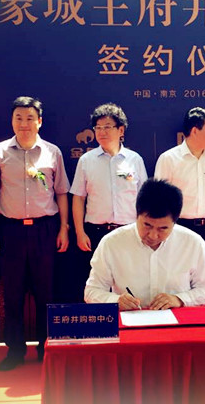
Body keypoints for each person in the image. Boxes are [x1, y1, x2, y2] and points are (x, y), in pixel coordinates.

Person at [0, 96, 70, 371]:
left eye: (30, 118)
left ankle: (48, 349)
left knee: (47, 293)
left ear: (39, 121)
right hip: (10, 231)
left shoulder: (52, 152)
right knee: (13, 293)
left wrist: (64, 228)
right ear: (12, 121)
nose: (24, 123)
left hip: (45, 229)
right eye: (18, 118)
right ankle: (15, 351)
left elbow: (62, 193)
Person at [84, 179, 205, 310]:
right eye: (147, 225)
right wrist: (115, 301)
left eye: (163, 228)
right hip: (131, 319)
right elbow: (92, 291)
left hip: (178, 319)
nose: (153, 235)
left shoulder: (193, 243)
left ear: (175, 222)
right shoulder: (112, 243)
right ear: (137, 215)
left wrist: (180, 299)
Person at [70, 103, 147, 295]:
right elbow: (78, 198)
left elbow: (143, 199)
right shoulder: (86, 160)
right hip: (95, 233)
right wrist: (80, 232)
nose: (101, 132)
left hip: (128, 231)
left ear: (121, 130)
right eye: (98, 127)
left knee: (130, 283)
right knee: (97, 286)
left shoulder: (134, 159)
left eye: (107, 127)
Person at [154, 107, 205, 289]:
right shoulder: (169, 158)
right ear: (195, 130)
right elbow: (160, 199)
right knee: (179, 277)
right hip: (180, 227)